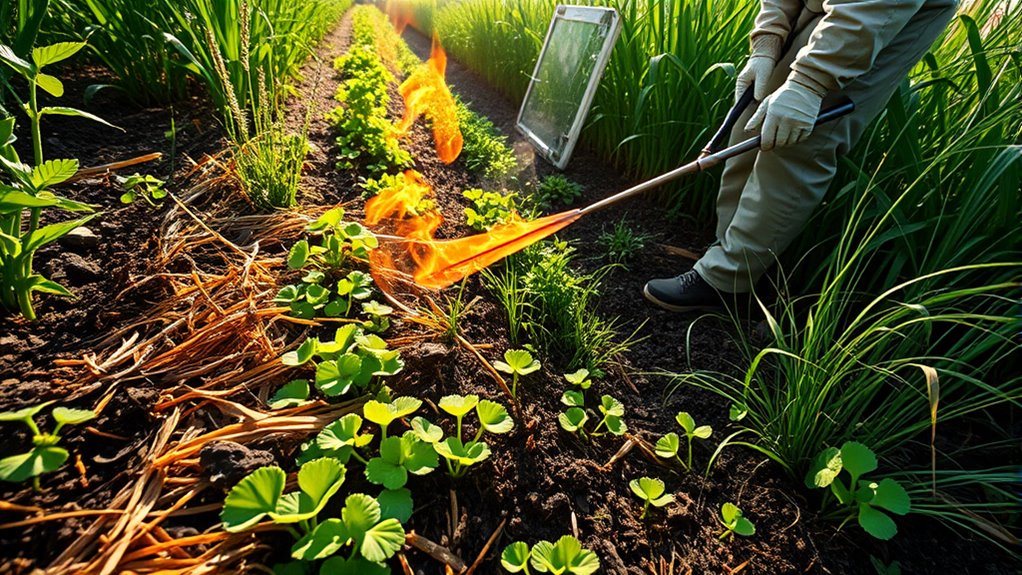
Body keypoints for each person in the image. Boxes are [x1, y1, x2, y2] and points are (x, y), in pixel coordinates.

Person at [643, 0, 959, 312]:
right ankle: (733, 255)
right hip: (822, 10)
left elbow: (872, 8)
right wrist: (767, 41)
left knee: (797, 145)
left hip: (876, 21)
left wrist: (811, 81)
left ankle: (728, 281)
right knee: (749, 126)